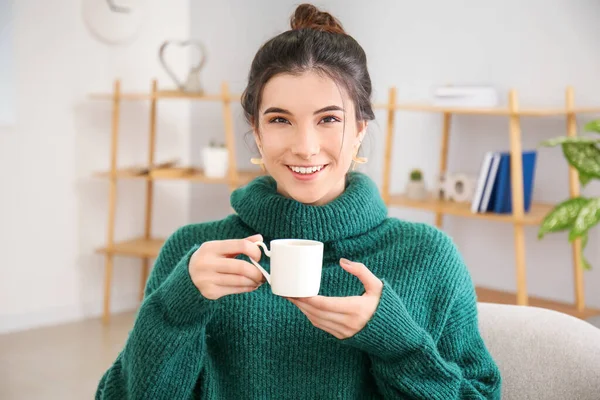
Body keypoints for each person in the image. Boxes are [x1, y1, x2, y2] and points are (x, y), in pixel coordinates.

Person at [96, 3, 502, 399]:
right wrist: (177, 305)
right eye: (279, 120)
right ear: (256, 132)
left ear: (359, 129)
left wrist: (397, 343)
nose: (305, 148)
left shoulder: (427, 257)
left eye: (329, 119)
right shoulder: (195, 255)